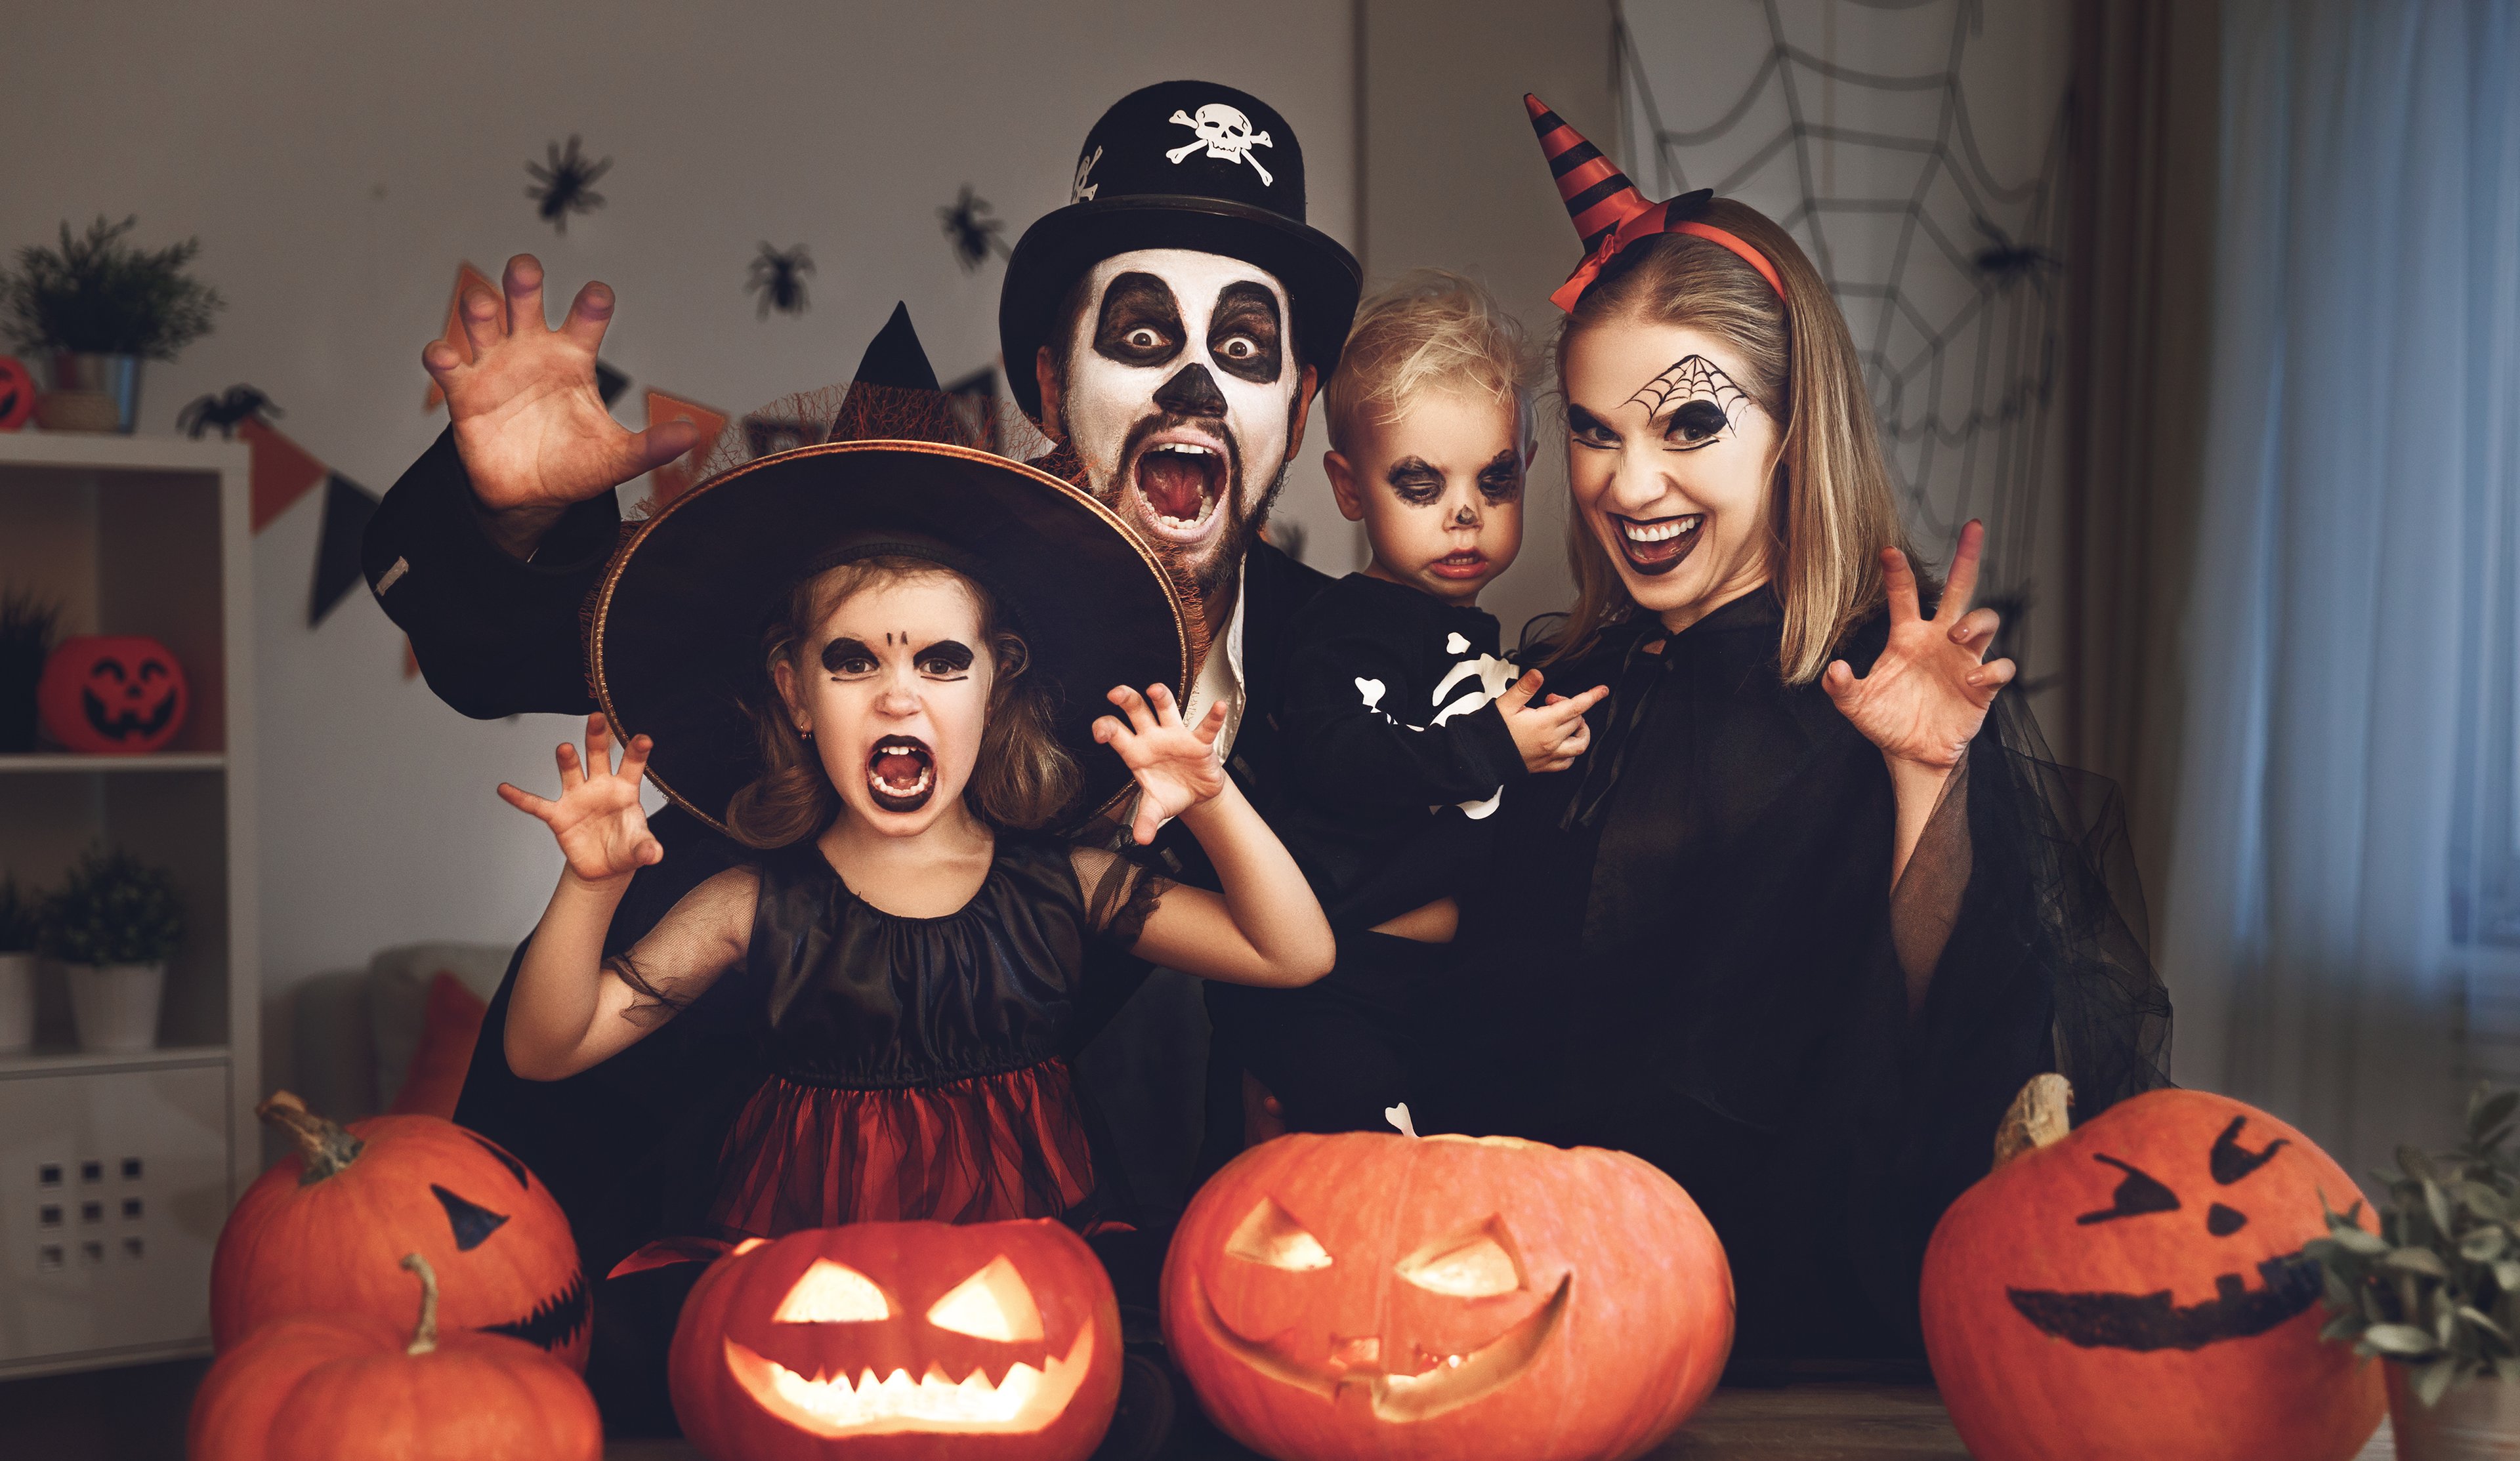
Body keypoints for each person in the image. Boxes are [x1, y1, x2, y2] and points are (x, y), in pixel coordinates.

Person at [359, 81, 1361, 1281]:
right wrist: (508, 516)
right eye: (1143, 338)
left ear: (1299, 406)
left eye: (1244, 351)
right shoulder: (907, 557)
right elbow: (492, 654)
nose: (1194, 387)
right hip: (738, 1236)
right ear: (1052, 390)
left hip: (1173, 1262)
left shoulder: (1364, 662)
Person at [1408, 98, 2172, 1363]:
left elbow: (1961, 1066)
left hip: (1781, 1345)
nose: (1628, 484)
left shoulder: (1882, 688)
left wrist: (1925, 781)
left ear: (1790, 434)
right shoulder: (1563, 686)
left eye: (1687, 425)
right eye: (1594, 431)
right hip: (1529, 1321)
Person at [499, 440, 1334, 1418]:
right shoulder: (747, 906)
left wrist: (1212, 802)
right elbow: (544, 1050)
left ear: (997, 684)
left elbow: (1293, 953)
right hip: (808, 1305)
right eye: (853, 661)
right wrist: (591, 886)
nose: (898, 696)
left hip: (1027, 1301)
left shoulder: (1069, 886)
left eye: (941, 662)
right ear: (795, 692)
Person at [1212, 272, 1605, 1136]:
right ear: (1351, 488)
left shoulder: (1481, 640)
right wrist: (1492, 749)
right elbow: (1337, 757)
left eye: (1495, 482)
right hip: (1333, 982)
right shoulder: (1343, 628)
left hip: (1431, 990)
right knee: (1361, 1176)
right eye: (1420, 486)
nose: (1464, 514)